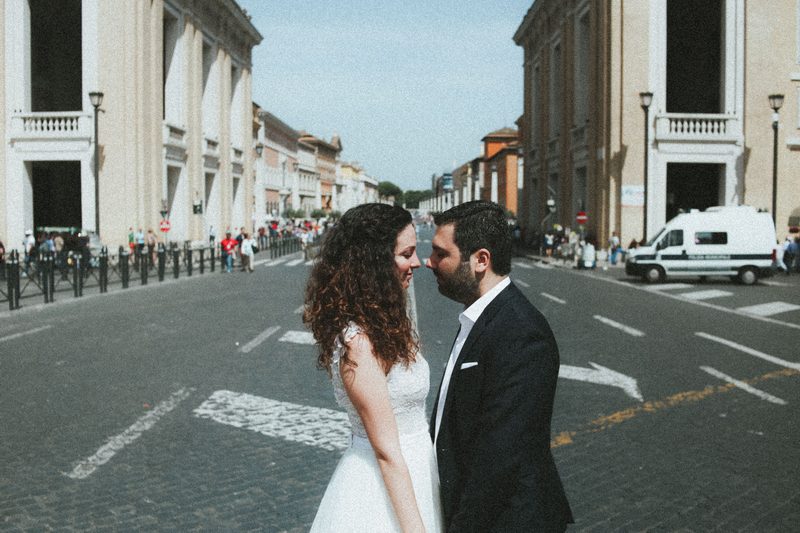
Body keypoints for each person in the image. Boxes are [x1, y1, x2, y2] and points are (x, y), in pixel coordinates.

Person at [426, 200, 573, 532]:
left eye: (441, 254)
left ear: (481, 260)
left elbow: (499, 457)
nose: (429, 262)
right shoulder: (482, 315)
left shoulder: (521, 332)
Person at [305, 203, 442, 533]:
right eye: (406, 254)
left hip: (416, 471)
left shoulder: (384, 323)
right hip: (382, 487)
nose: (417, 262)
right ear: (375, 262)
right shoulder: (359, 343)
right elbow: (386, 452)